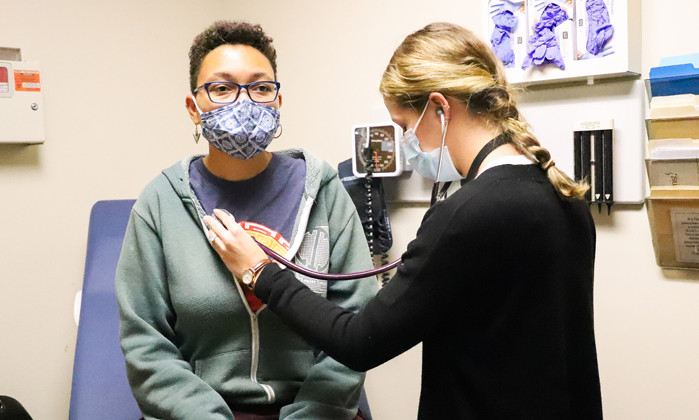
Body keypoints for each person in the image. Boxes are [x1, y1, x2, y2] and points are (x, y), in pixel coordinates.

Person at [205, 22, 603, 420]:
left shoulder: (468, 215)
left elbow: (360, 342)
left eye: (403, 126)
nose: (406, 141)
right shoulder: (562, 195)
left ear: (440, 108)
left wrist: (260, 273)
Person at [115, 20, 378, 420]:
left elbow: (356, 325)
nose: (244, 102)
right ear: (193, 107)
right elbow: (146, 344)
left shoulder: (323, 193)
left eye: (260, 88)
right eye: (222, 88)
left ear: (278, 101)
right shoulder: (161, 202)